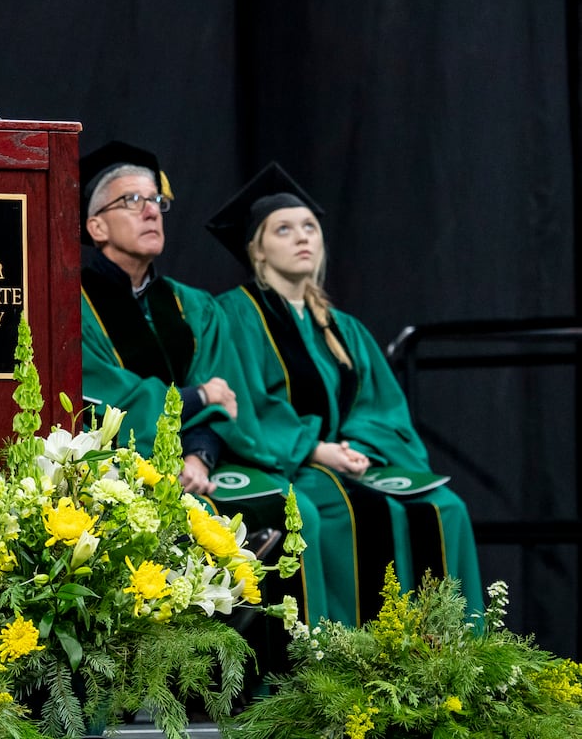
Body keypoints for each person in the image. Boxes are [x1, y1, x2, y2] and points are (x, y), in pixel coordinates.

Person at [207, 162, 483, 622]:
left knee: (444, 508)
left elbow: (381, 406)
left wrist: (358, 447)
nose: (302, 238)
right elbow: (241, 403)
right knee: (336, 511)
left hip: (351, 462)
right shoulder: (232, 315)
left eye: (310, 228)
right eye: (284, 229)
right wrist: (315, 450)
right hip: (285, 465)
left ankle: (452, 666)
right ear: (257, 250)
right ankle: (342, 669)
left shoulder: (344, 328)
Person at [78, 140, 327, 623]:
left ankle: (283, 689)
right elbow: (102, 395)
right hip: (120, 464)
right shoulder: (72, 305)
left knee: (296, 513)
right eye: (132, 201)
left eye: (157, 202)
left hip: (193, 463)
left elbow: (224, 394)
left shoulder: (192, 306)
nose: (151, 212)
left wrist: (199, 454)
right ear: (97, 227)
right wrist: (194, 397)